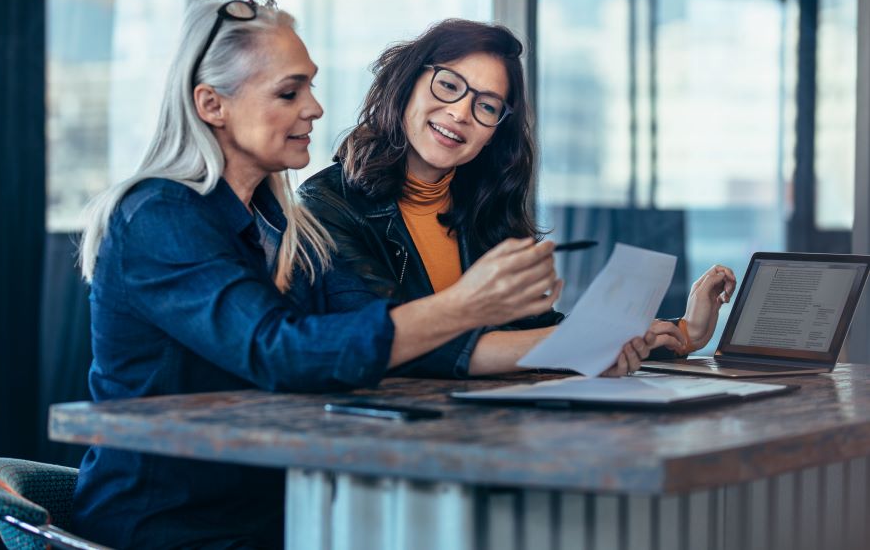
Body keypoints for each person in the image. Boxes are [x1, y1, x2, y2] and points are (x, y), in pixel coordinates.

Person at [71, 0, 572, 549]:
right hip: (175, 526)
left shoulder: (283, 223)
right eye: (289, 92)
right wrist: (466, 305)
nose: (314, 108)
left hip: (282, 513)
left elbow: (371, 333)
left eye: (309, 86)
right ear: (212, 105)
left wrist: (590, 341)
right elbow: (279, 351)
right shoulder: (158, 217)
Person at [299, 19, 736, 377]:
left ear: (494, 133)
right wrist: (586, 344)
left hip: (484, 430)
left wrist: (684, 332)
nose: (460, 113)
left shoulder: (482, 208)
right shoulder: (325, 206)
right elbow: (396, 343)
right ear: (407, 83)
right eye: (448, 85)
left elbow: (535, 331)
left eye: (487, 106)